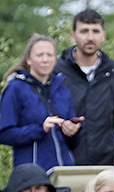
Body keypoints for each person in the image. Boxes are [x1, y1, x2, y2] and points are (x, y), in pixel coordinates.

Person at [52, 9, 114, 166]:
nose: (90, 37)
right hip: (65, 160)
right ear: (73, 36)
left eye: (95, 31)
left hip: (104, 162)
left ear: (103, 36)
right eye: (84, 31)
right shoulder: (56, 70)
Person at [0, 34, 80, 170]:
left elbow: (72, 143)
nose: (45, 60)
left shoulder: (63, 90)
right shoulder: (15, 88)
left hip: (63, 173)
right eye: (39, 55)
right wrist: (40, 129)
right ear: (28, 60)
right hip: (31, 176)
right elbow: (4, 134)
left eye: (50, 55)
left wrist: (73, 131)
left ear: (55, 59)